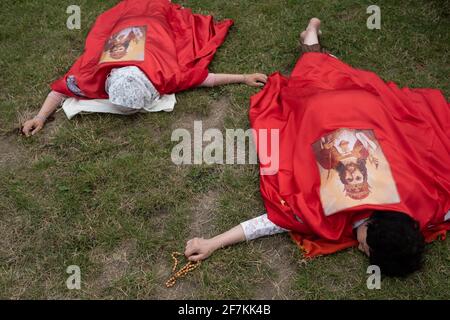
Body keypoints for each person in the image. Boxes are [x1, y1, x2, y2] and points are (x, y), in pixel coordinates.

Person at [185, 18, 450, 277]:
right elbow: (272, 222)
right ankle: (312, 38)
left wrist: (214, 243)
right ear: (371, 228)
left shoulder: (424, 203)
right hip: (323, 112)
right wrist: (213, 242)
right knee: (308, 83)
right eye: (366, 248)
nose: (359, 248)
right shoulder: (336, 206)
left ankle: (314, 38)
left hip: (365, 106)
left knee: (325, 74)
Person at [22, 0, 267, 136]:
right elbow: (208, 79)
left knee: (156, 9)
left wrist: (244, 77)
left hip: (151, 24)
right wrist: (40, 117)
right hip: (135, 23)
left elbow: (208, 78)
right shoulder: (94, 69)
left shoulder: (165, 76)